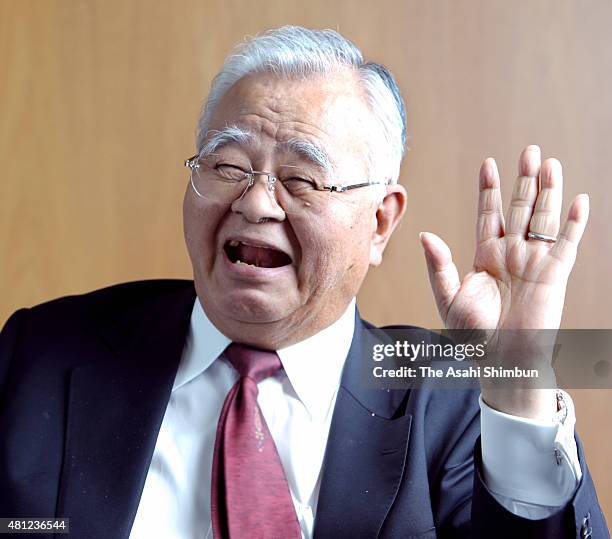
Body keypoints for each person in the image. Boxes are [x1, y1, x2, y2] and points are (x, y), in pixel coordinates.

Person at [0, 25, 608, 539]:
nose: (257, 203)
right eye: (229, 166)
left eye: (302, 180)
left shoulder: (451, 396)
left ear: (379, 221)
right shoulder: (43, 353)